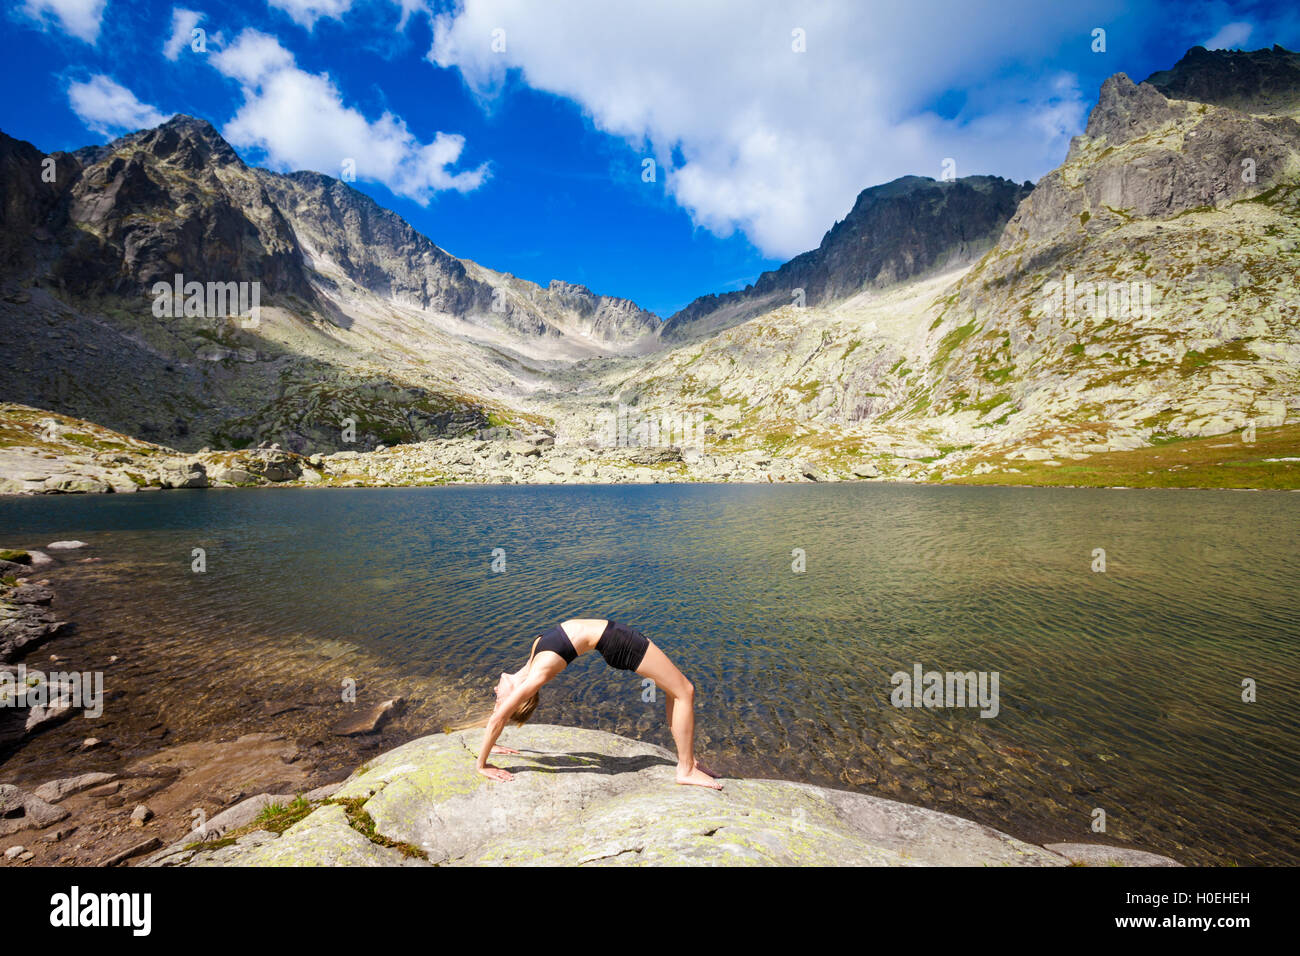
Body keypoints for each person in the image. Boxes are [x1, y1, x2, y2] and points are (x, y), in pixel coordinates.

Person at [455, 619, 722, 790]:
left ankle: (688, 760)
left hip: (617, 636)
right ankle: (685, 769)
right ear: (518, 698)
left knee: (675, 690)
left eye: (497, 696)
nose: (495, 691)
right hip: (618, 642)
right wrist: (482, 764)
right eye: (499, 697)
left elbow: (499, 717)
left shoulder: (533, 659)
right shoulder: (537, 674)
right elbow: (498, 718)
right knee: (685, 691)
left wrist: (495, 742)